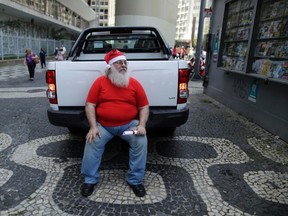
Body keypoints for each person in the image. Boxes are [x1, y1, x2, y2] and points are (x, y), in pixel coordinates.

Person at [81, 49, 149, 198]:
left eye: (125, 62)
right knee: (92, 140)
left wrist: (141, 125)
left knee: (141, 141)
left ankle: (135, 180)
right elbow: (90, 105)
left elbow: (144, 107)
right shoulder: (100, 82)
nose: (124, 65)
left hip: (128, 126)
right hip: (104, 127)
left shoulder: (134, 83)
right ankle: (89, 180)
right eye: (119, 63)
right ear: (111, 66)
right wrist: (93, 127)